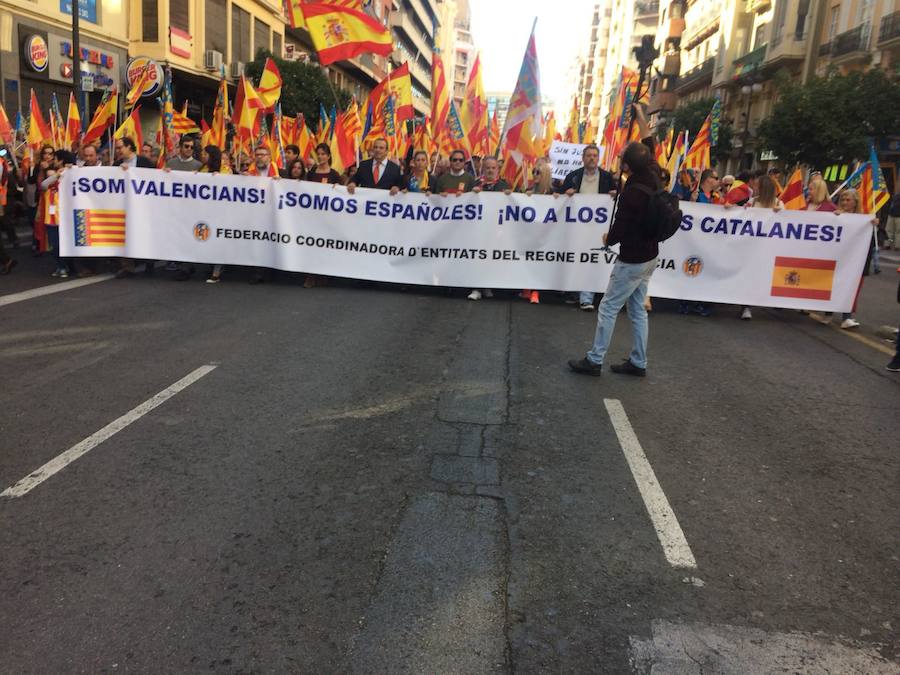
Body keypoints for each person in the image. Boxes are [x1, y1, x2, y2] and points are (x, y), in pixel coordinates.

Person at [568, 137, 660, 378]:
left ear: (628, 166)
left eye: (622, 159)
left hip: (632, 259)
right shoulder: (653, 175)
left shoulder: (632, 193)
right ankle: (638, 361)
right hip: (650, 255)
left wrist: (608, 239)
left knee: (608, 307)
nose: (618, 160)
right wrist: (640, 118)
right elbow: (651, 146)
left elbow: (618, 230)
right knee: (638, 309)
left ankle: (594, 359)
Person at [561, 144, 617, 311]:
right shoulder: (573, 176)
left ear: (598, 158)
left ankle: (586, 297)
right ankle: (576, 293)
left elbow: (617, 196)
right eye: (589, 155)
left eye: (594, 155)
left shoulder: (607, 177)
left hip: (597, 228)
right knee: (577, 257)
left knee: (592, 257)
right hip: (577, 227)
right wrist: (566, 193)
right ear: (583, 158)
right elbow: (559, 197)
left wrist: (614, 194)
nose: (592, 158)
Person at [467, 156, 511, 302]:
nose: (490, 170)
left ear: (497, 169)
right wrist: (471, 194)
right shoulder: (476, 184)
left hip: (496, 229)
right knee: (479, 256)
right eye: (487, 168)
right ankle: (477, 287)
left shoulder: (504, 185)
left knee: (491, 258)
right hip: (479, 228)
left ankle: (486, 285)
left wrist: (510, 195)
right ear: (483, 169)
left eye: (493, 168)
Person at [114, 137, 156, 278]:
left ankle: (149, 263)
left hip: (144, 206)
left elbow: (156, 180)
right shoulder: (117, 164)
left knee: (145, 234)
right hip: (124, 206)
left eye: (120, 147)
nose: (118, 151)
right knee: (124, 235)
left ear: (129, 147)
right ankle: (127, 267)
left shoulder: (145, 162)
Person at [40, 150, 77, 278]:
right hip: (50, 218)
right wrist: (56, 175)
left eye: (55, 158)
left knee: (64, 245)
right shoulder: (54, 174)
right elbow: (43, 185)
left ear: (61, 160)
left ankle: (66, 267)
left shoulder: (72, 174)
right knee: (54, 245)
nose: (53, 160)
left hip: (64, 218)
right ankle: (60, 266)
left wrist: (72, 169)